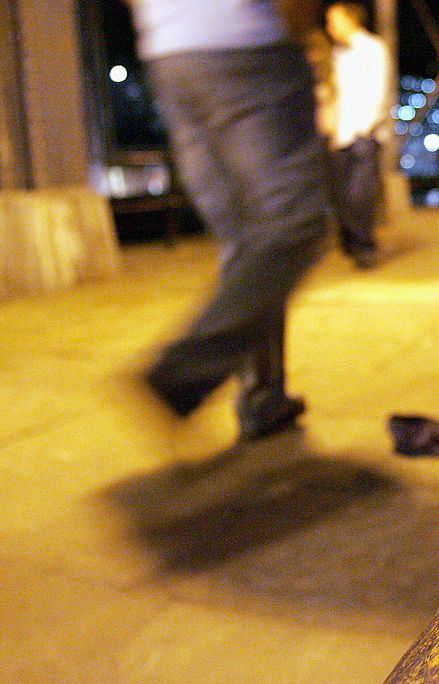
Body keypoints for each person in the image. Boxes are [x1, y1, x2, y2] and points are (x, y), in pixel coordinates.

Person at [128, 0, 330, 440]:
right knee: (295, 226)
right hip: (244, 51)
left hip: (170, 59)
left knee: (249, 245)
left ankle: (263, 399)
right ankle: (183, 371)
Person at [320, 1, 390, 269]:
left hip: (364, 134)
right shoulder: (336, 55)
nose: (330, 27)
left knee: (360, 194)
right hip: (339, 134)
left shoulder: (373, 49)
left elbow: (379, 92)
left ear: (351, 20)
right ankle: (352, 242)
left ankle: (364, 246)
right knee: (341, 194)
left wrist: (364, 129)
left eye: (333, 20)